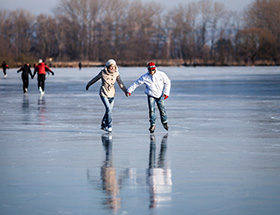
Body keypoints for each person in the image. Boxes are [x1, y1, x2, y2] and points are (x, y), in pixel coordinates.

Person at [126, 62, 171, 133]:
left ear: (155, 69)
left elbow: (167, 82)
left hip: (160, 95)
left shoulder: (161, 74)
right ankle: (152, 125)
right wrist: (129, 90)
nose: (152, 72)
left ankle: (164, 122)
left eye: (153, 70)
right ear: (148, 70)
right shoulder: (145, 77)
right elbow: (136, 83)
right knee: (152, 110)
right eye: (150, 70)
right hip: (151, 95)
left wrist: (166, 93)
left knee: (162, 109)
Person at [86, 59, 127, 132]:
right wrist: (88, 84)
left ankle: (103, 124)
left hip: (112, 95)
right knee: (108, 109)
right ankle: (109, 126)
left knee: (109, 111)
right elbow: (95, 79)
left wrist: (126, 91)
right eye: (111, 66)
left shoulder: (116, 73)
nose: (112, 68)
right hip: (103, 94)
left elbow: (121, 84)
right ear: (108, 66)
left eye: (114, 66)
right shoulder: (103, 73)